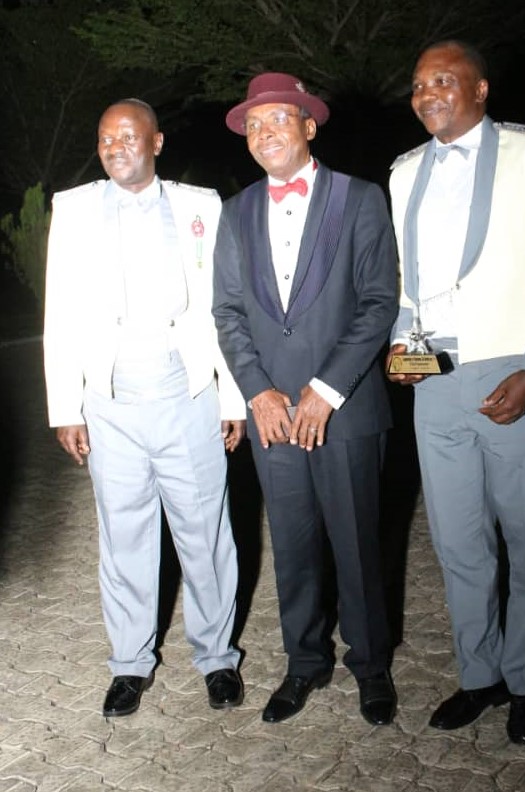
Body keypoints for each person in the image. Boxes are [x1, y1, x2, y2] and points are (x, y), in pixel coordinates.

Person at [386, 41, 525, 744]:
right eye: (418, 84)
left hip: (514, 372)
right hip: (435, 381)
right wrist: (403, 349)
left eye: (443, 80)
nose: (427, 93)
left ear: (480, 89)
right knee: (459, 543)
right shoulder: (403, 172)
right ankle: (481, 675)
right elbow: (408, 281)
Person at [43, 98, 247, 718]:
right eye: (106, 139)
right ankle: (129, 665)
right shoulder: (74, 209)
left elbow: (223, 307)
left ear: (156, 143)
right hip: (111, 403)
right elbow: (60, 312)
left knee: (204, 533)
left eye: (128, 137)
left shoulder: (199, 206)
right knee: (124, 537)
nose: (116, 148)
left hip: (188, 394)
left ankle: (217, 658)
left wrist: (232, 396)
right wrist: (65, 407)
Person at [212, 73, 399, 726]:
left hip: (345, 410)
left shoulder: (360, 198)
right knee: (292, 548)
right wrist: (257, 392)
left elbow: (379, 302)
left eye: (278, 120)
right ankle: (304, 662)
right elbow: (228, 312)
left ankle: (371, 667)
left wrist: (326, 389)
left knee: (358, 546)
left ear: (309, 126)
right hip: (272, 415)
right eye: (253, 125)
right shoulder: (235, 212)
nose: (265, 133)